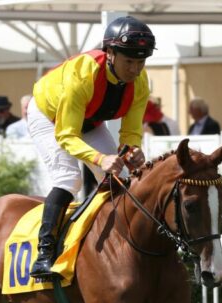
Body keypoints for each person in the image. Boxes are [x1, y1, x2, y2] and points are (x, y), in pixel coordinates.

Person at [27, 15, 153, 279]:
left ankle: (127, 247)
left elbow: (130, 132)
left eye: (140, 61)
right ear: (110, 54)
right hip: (48, 117)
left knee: (122, 178)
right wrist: (100, 158)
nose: (135, 70)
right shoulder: (82, 74)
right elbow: (66, 135)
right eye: (129, 61)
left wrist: (132, 150)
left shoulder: (140, 83)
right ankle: (44, 256)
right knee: (69, 179)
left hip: (90, 120)